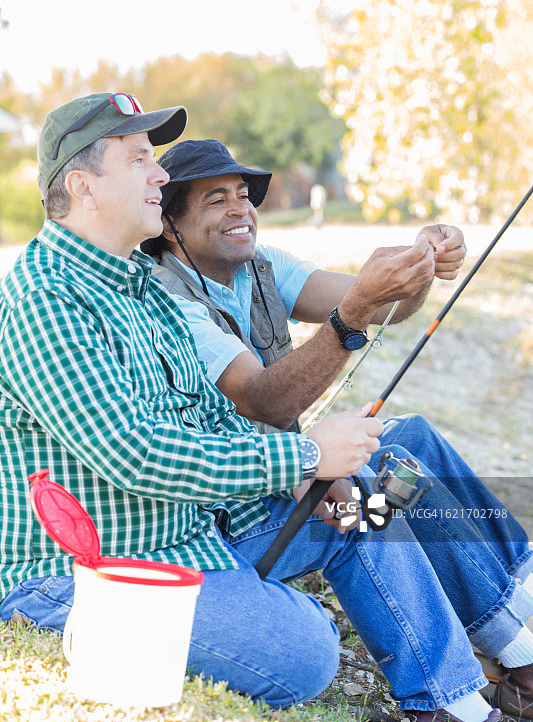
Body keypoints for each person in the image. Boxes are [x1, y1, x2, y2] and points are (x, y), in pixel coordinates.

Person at [0, 100, 530, 722]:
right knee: (305, 651)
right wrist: (304, 454)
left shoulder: (141, 290)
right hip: (81, 574)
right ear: (81, 186)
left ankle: (460, 704)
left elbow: (208, 416)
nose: (159, 176)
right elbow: (137, 453)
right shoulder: (46, 297)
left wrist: (308, 475)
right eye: (140, 159)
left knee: (366, 503)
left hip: (190, 537)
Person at [136, 137, 533, 719]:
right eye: (215, 200)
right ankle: (464, 693)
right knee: (372, 496)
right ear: (170, 225)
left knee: (412, 438)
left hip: (284, 464)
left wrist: (418, 264)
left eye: (243, 196)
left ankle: (518, 628)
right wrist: (355, 312)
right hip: (237, 502)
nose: (240, 210)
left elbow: (386, 304)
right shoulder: (171, 301)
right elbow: (264, 402)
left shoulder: (261, 265)